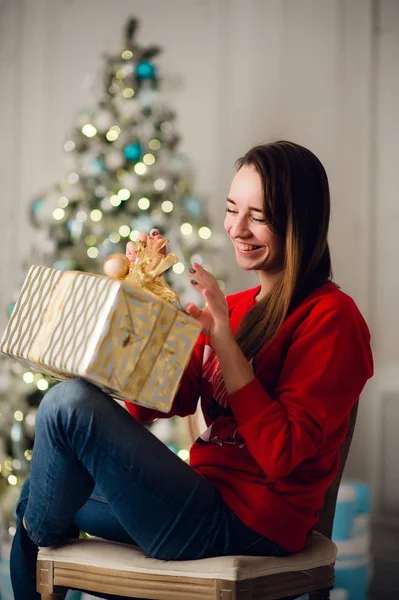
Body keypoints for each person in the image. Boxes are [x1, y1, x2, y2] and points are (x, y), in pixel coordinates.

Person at [10, 141, 373, 599]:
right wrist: (144, 325)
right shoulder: (234, 309)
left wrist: (223, 343)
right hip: (197, 497)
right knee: (38, 491)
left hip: (253, 524)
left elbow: (281, 454)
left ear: (298, 223)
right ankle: (40, 540)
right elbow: (157, 406)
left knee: (67, 404)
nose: (237, 229)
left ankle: (40, 542)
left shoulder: (333, 318)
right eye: (231, 209)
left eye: (258, 217)